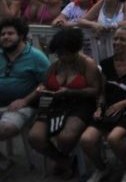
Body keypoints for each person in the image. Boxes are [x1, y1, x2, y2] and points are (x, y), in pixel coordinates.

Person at [80, 27, 126, 182]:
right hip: (110, 107)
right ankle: (102, 167)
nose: (117, 42)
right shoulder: (105, 64)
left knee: (114, 138)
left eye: (122, 39)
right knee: (87, 139)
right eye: (115, 39)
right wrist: (99, 107)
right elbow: (101, 92)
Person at [28, 27, 100, 178]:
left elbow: (95, 90)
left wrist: (70, 91)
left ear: (75, 50)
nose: (62, 57)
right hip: (55, 102)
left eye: (65, 53)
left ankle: (64, 157)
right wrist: (42, 88)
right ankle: (63, 160)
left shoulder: (87, 64)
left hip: (81, 103)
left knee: (65, 137)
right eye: (59, 53)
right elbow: (46, 84)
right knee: (35, 137)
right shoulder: (55, 65)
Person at [0, 17, 50, 171]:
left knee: (5, 128)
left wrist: (25, 100)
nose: (5, 37)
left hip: (23, 105)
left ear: (21, 35)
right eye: (2, 34)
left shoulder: (36, 56)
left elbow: (46, 83)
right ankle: (2, 161)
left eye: (10, 33)